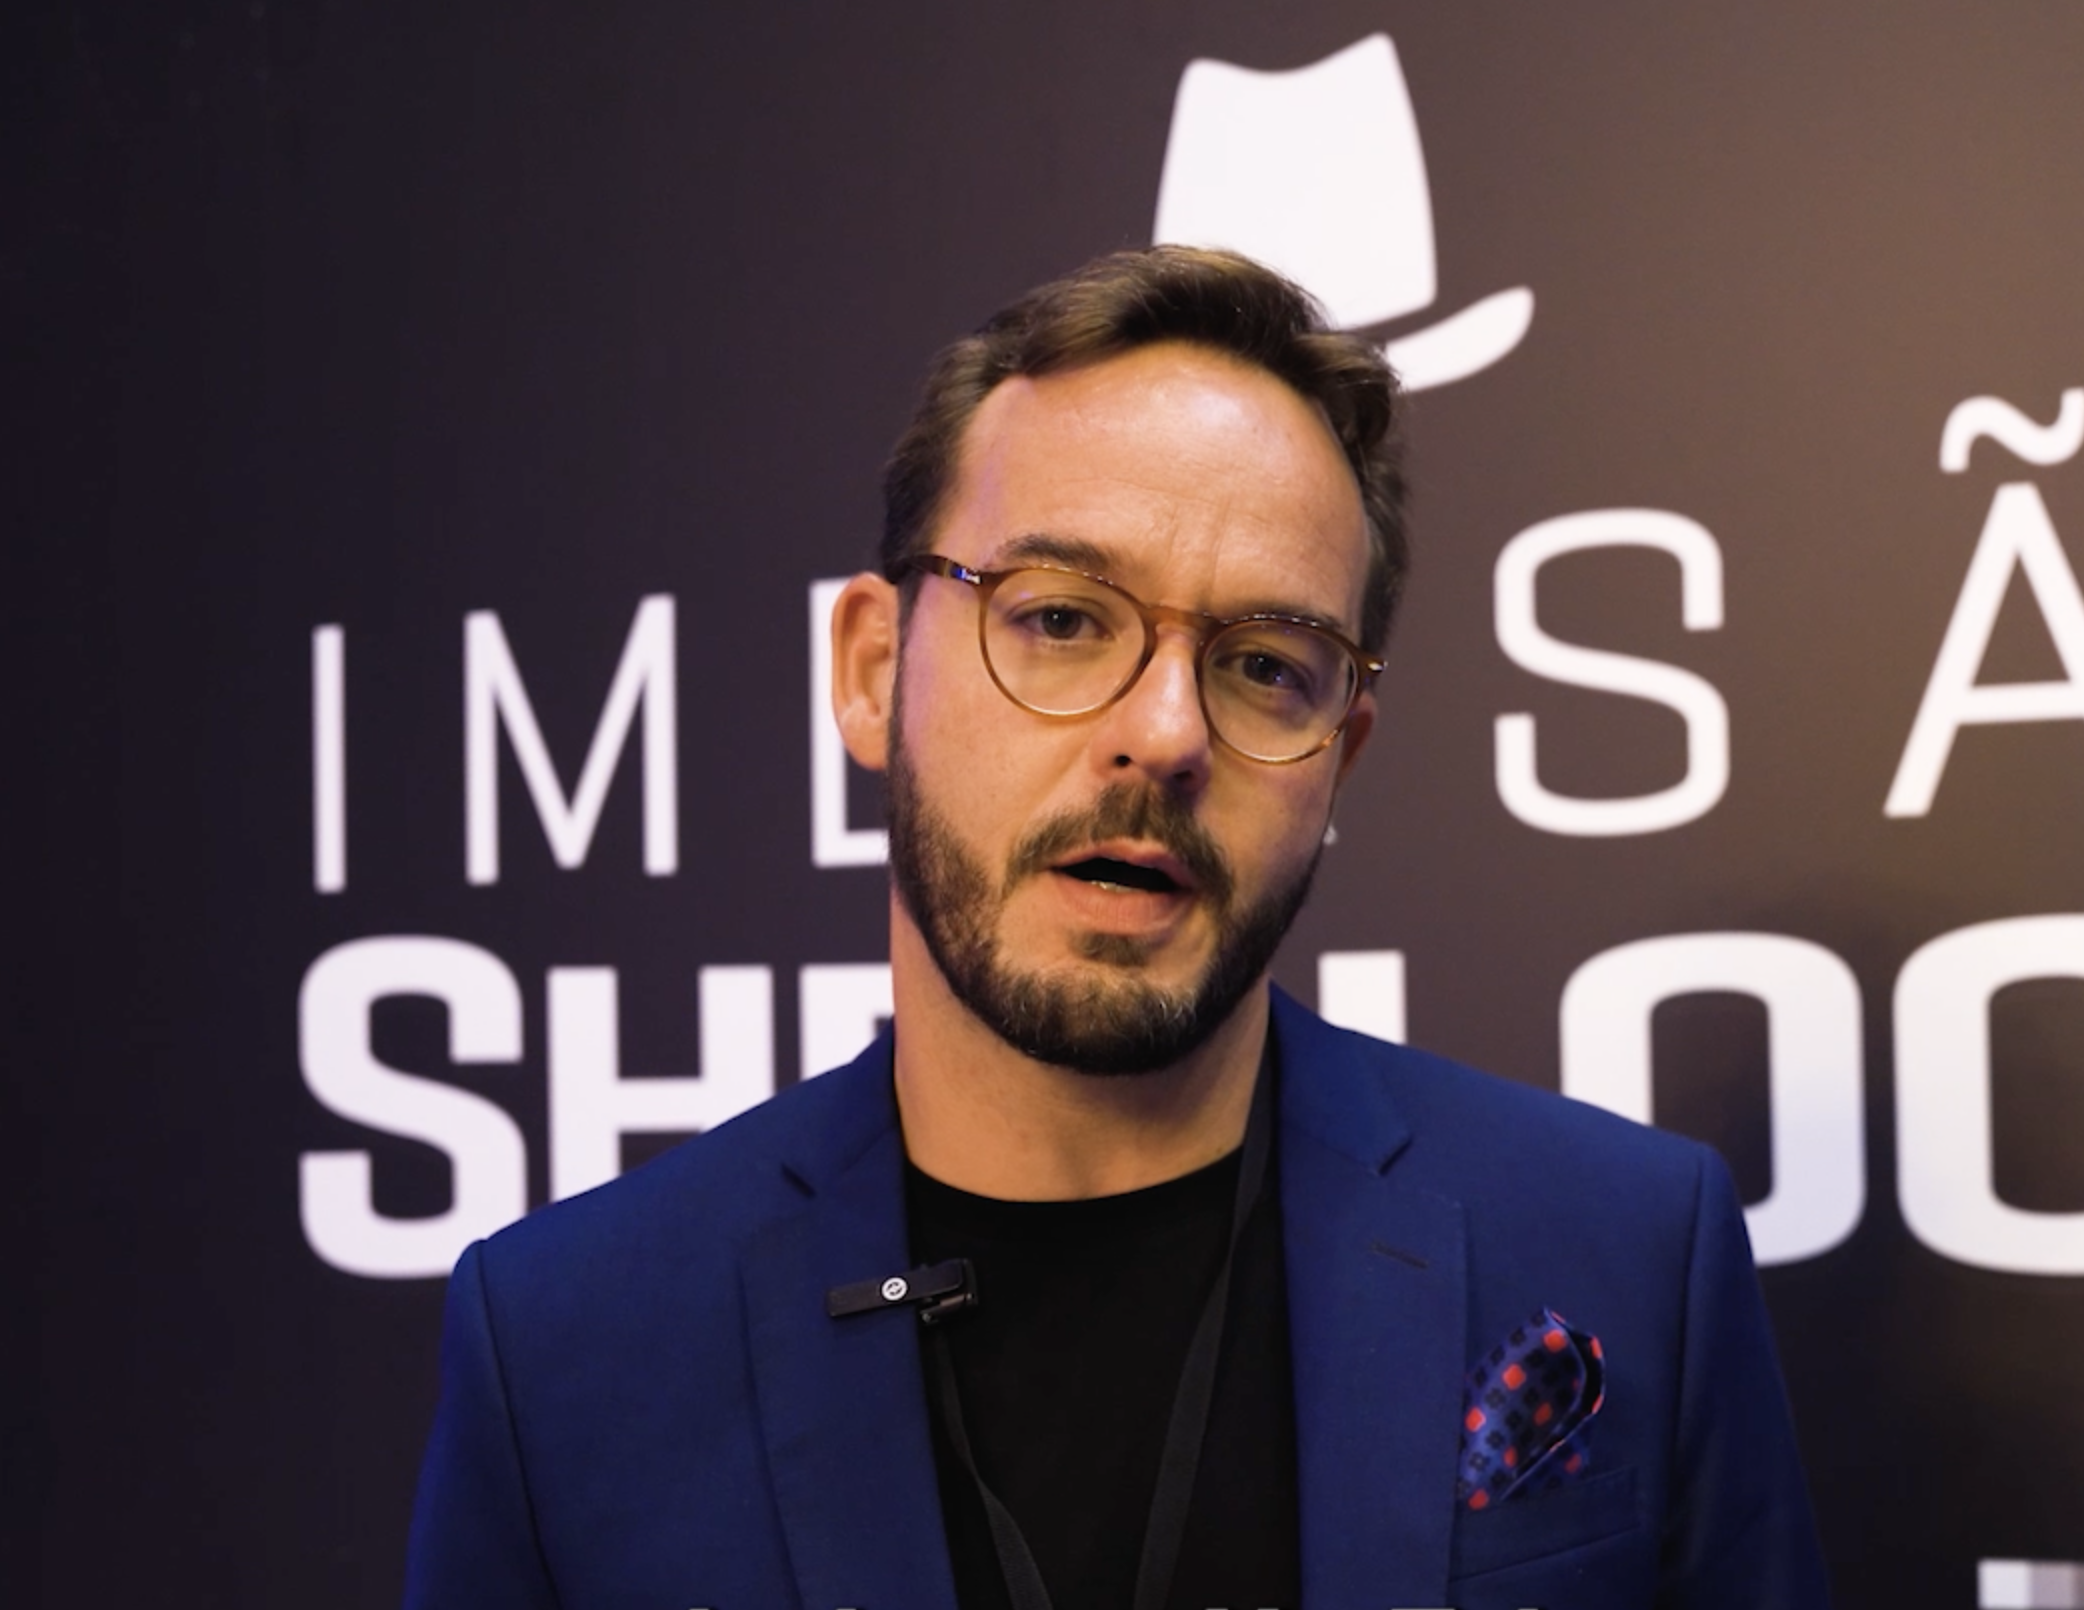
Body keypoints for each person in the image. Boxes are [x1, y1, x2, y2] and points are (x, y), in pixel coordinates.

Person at [403, 246, 1832, 1610]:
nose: (1165, 733)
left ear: (1341, 753)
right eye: (1063, 619)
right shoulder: (568, 1346)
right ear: (873, 671)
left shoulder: (1627, 1254)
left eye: (1265, 664)